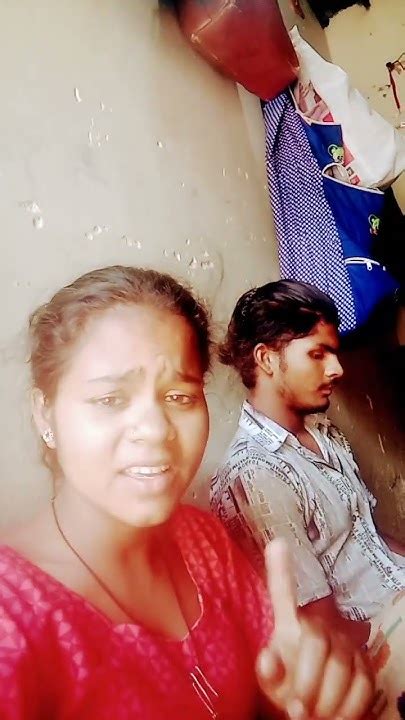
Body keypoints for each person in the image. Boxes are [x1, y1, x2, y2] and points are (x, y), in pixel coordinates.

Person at [0, 266, 373, 720]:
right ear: (45, 414)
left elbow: (279, 679)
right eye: (111, 399)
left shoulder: (203, 543)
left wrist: (307, 691)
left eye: (179, 397)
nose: (156, 430)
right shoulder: (13, 617)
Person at [211, 279, 405, 646]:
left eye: (334, 354)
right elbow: (319, 629)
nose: (337, 369)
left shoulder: (324, 432)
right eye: (318, 354)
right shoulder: (253, 475)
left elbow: (369, 540)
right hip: (370, 648)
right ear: (267, 359)